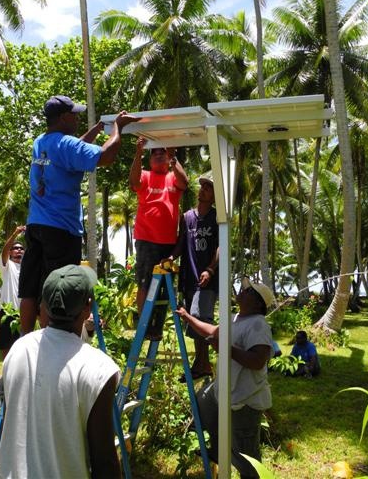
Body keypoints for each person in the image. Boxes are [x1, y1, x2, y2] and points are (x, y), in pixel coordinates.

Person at [19, 95, 137, 333]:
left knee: (31, 288)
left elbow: (70, 153)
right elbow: (106, 156)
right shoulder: (67, 144)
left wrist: (93, 132)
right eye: (74, 114)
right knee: (55, 287)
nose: (77, 117)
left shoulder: (41, 142)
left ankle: (24, 339)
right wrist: (117, 128)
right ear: (63, 118)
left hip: (36, 226)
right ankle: (51, 343)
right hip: (61, 230)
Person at [0, 264, 121, 479]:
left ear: (43, 306)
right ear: (88, 308)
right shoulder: (99, 368)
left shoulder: (18, 349)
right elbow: (104, 459)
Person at [176, 278, 275, 479]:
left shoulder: (258, 325)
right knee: (203, 399)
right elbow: (213, 331)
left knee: (247, 456)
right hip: (226, 392)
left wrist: (225, 349)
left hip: (244, 399)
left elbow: (257, 360)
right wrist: (188, 318)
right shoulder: (236, 318)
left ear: (257, 303)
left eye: (248, 290)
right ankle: (219, 449)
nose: (243, 290)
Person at [162, 170, 219, 381]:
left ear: (214, 196)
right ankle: (202, 364)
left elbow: (220, 247)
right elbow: (181, 244)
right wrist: (170, 257)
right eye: (203, 186)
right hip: (189, 277)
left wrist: (210, 269)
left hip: (207, 280)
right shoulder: (187, 217)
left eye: (208, 188)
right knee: (194, 321)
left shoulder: (216, 217)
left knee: (198, 318)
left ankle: (201, 364)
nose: (203, 190)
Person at [129, 136, 188, 319]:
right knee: (145, 284)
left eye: (162, 151)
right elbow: (134, 182)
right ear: (149, 159)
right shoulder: (146, 175)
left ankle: (156, 325)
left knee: (164, 287)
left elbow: (184, 183)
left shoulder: (172, 176)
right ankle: (144, 323)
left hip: (168, 244)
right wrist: (138, 154)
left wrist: (173, 157)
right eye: (154, 152)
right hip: (147, 240)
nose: (158, 155)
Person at [0, 226, 25, 358]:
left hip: (24, 312)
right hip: (7, 311)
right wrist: (14, 234)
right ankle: (7, 373)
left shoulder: (27, 267)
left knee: (23, 345)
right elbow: (4, 251)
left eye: (21, 248)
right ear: (11, 252)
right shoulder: (7, 266)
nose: (19, 250)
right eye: (15, 248)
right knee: (7, 345)